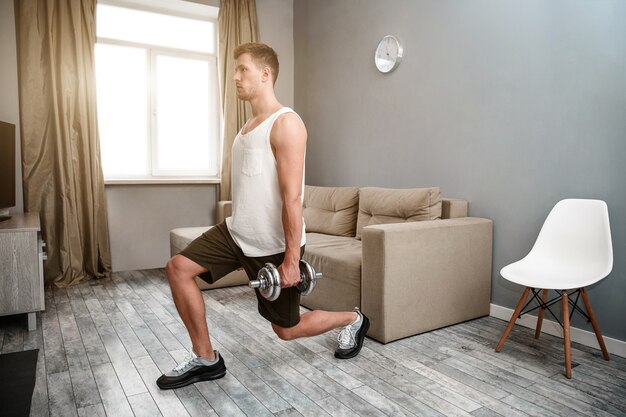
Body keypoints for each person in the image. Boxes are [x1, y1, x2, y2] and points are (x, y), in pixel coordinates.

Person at [156, 42, 369, 390]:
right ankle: (206, 358)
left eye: (243, 69)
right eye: (235, 70)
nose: (236, 77)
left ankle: (353, 318)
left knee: (287, 330)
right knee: (178, 268)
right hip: (237, 232)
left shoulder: (286, 124)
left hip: (271, 245)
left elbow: (293, 197)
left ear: (265, 74)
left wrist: (291, 258)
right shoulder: (247, 127)